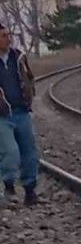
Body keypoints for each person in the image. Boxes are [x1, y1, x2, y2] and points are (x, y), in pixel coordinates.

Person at [0, 23, 38, 206]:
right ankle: (9, 186)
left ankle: (30, 190)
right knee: (10, 152)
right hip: (2, 116)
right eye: (3, 36)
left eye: (8, 35)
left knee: (29, 152)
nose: (8, 38)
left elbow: (29, 77)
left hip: (21, 111)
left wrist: (30, 95)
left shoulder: (19, 57)